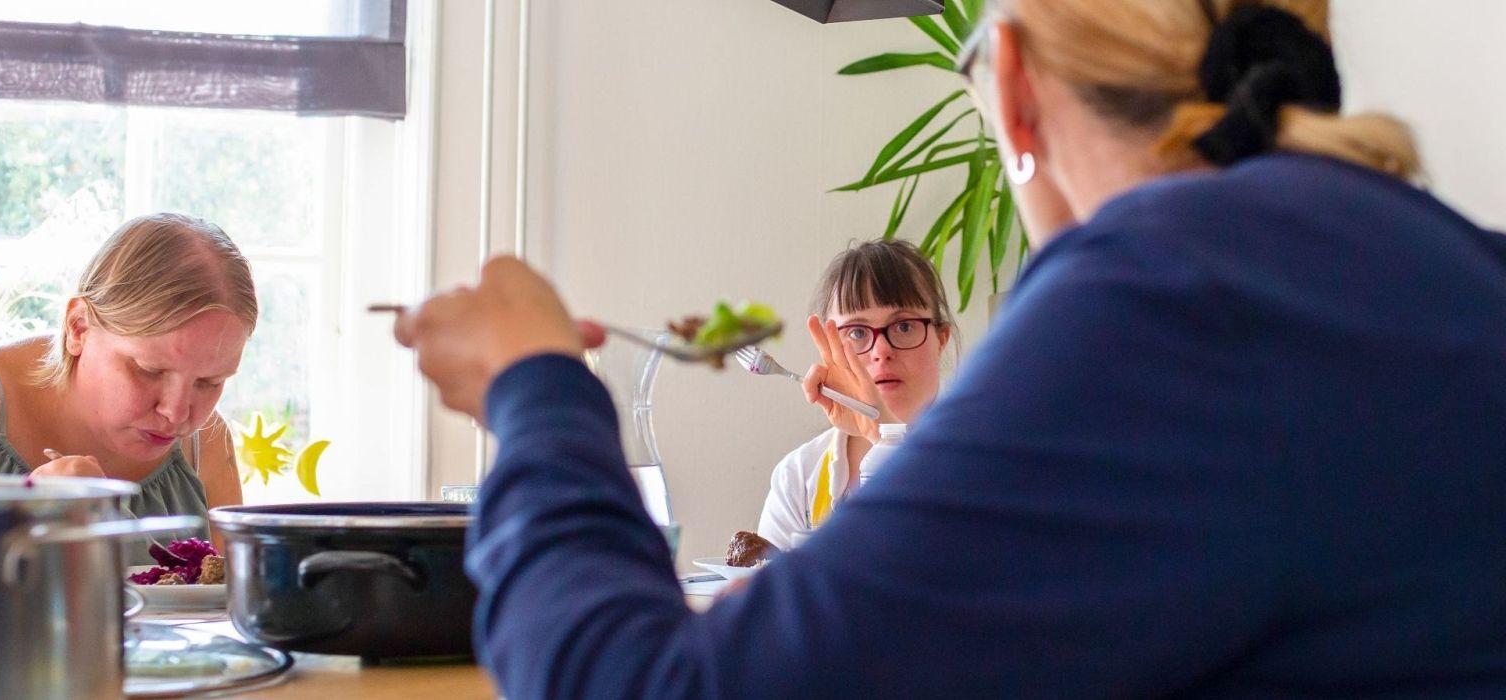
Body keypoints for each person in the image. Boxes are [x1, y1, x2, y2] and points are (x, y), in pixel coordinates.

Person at [392, 0, 1506, 696]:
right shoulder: (1453, 266)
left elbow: (641, 685)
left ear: (1013, 87)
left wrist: (534, 387)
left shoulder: (1154, 295)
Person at [0, 213, 255, 562]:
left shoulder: (205, 443)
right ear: (78, 328)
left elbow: (231, 605)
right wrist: (21, 524)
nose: (177, 413)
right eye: (149, 370)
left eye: (210, 382)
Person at [755, 239, 956, 550]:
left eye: (904, 326)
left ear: (941, 339)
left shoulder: (987, 464)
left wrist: (882, 433)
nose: (881, 351)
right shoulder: (798, 476)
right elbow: (774, 594)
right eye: (857, 333)